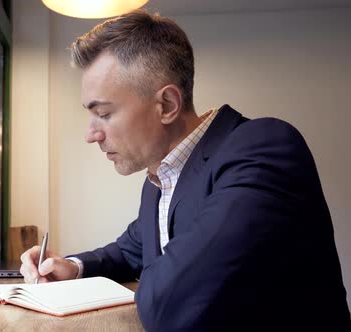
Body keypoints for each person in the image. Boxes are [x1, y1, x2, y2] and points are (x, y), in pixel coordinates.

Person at [19, 9, 350, 332]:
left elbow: (170, 306)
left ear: (167, 106)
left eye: (103, 114)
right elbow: (129, 250)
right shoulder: (158, 182)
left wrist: (151, 269)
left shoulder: (263, 149)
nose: (91, 134)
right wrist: (72, 267)